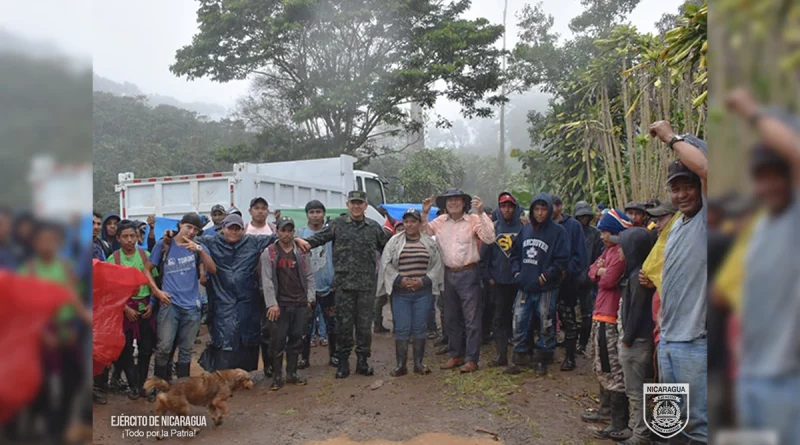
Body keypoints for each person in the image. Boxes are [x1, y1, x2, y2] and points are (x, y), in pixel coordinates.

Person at [725, 89, 800, 445]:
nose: (768, 184)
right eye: (761, 176)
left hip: (787, 382)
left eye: (777, 175)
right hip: (751, 375)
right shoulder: (762, 227)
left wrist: (752, 111)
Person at [168, 214, 295, 372]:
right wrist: (171, 235)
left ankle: (247, 372)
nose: (234, 232)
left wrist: (298, 240)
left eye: (238, 229)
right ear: (223, 229)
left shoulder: (252, 241)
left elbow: (278, 238)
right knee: (224, 338)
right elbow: (188, 238)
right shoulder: (211, 241)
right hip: (222, 299)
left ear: (243, 229)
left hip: (247, 299)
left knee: (248, 336)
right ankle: (221, 372)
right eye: (230, 228)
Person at [648, 119, 708, 444]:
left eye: (688, 186)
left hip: (695, 343)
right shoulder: (678, 226)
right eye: (675, 188)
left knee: (699, 427)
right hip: (670, 340)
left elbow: (710, 171)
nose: (681, 194)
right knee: (672, 425)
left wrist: (671, 138)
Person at [297, 191, 390, 379]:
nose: (356, 206)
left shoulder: (373, 227)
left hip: (365, 286)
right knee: (343, 326)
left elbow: (388, 248)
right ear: (348, 205)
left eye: (360, 203)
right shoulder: (337, 225)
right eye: (353, 203)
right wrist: (301, 241)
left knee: (364, 327)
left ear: (365, 206)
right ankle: (343, 363)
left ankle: (363, 361)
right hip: (344, 287)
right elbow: (318, 239)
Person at [420, 188, 495, 373]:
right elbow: (424, 233)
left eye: (457, 200)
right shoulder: (440, 221)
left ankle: (472, 359)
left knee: (471, 318)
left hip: (469, 273)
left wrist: (481, 212)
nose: (453, 203)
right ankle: (456, 355)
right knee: (451, 317)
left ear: (464, 203)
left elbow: (490, 238)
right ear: (445, 204)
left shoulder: (473, 220)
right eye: (449, 200)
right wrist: (425, 212)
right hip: (447, 273)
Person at [145, 213, 216, 387]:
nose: (191, 232)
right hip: (170, 305)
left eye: (196, 229)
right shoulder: (164, 245)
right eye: (188, 227)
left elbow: (213, 269)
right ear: (180, 225)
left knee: (186, 351)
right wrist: (157, 291)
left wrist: (199, 249)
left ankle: (182, 389)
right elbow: (146, 270)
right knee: (163, 348)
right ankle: (158, 387)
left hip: (192, 307)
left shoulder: (198, 247)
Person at [506, 193, 569, 377]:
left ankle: (543, 358)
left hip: (546, 287)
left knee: (545, 321)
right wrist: (517, 273)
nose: (540, 213)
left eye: (544, 209)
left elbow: (561, 260)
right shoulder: (525, 230)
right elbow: (515, 254)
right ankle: (520, 356)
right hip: (524, 285)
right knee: (518, 319)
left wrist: (545, 277)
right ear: (532, 210)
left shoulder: (558, 232)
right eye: (537, 209)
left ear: (549, 210)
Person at [377, 208, 443, 376]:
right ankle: (401, 365)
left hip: (423, 292)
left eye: (413, 221)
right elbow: (386, 264)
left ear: (420, 223)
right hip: (401, 293)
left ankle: (419, 364)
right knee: (402, 328)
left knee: (420, 328)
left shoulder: (430, 243)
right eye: (406, 221)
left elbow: (437, 265)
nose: (410, 224)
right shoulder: (394, 242)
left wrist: (424, 280)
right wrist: (400, 279)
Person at [588, 209, 631, 441]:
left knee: (612, 367)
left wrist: (600, 273)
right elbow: (592, 271)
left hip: (610, 317)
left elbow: (608, 279)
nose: (602, 236)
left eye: (606, 231)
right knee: (600, 364)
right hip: (600, 314)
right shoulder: (608, 252)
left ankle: (618, 422)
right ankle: (605, 411)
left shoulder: (620, 253)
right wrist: (598, 271)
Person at [106, 220, 160, 400]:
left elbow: (154, 283)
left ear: (137, 237)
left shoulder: (146, 256)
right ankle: (133, 386)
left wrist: (152, 303)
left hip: (145, 307)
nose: (130, 240)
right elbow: (110, 290)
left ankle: (143, 384)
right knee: (125, 349)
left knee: (146, 348)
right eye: (125, 237)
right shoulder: (114, 259)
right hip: (125, 309)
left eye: (132, 236)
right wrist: (125, 308)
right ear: (119, 239)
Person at [260, 217, 315, 390]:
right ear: (277, 231)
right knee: (277, 341)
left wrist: (310, 299)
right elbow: (266, 280)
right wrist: (271, 304)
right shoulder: (269, 252)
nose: (286, 234)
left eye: (289, 230)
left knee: (297, 339)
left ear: (294, 232)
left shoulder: (301, 251)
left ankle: (292, 373)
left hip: (299, 302)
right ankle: (277, 377)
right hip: (279, 305)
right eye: (283, 230)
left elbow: (310, 276)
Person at [617, 228, 656, 445]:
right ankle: (637, 429)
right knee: (636, 391)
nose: (619, 250)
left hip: (637, 343)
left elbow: (636, 312)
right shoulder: (635, 274)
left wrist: (626, 340)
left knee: (636, 391)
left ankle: (640, 434)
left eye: (623, 246)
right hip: (638, 340)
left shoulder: (638, 277)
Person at [480, 192, 523, 367]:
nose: (506, 209)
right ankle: (501, 354)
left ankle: (520, 354)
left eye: (510, 206)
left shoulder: (523, 228)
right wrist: (488, 277)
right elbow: (484, 257)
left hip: (519, 283)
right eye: (503, 206)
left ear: (515, 208)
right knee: (498, 319)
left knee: (520, 319)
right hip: (498, 282)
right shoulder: (492, 228)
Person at [297, 200, 339, 369]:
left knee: (332, 324)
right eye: (312, 212)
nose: (315, 215)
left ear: (323, 213)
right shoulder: (300, 234)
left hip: (329, 286)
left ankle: (334, 356)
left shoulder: (331, 233)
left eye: (318, 212)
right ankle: (304, 358)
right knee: (305, 326)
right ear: (307, 214)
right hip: (307, 289)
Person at [551, 195, 588, 371]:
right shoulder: (543, 226)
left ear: (559, 206)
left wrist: (567, 270)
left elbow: (580, 255)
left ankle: (570, 357)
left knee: (568, 319)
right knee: (546, 319)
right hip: (547, 281)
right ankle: (547, 353)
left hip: (567, 282)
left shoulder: (573, 226)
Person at [572, 201, 604, 357]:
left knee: (587, 313)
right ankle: (571, 341)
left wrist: (591, 273)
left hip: (588, 279)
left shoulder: (595, 234)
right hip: (572, 278)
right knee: (570, 311)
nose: (584, 219)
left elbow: (599, 256)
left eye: (586, 216)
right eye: (581, 216)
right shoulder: (571, 232)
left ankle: (582, 343)